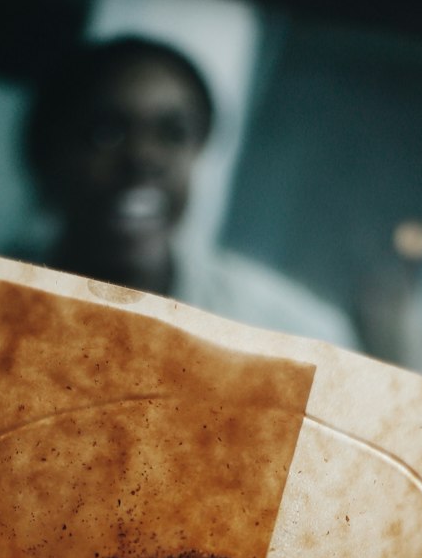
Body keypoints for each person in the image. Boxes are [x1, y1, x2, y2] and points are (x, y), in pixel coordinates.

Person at [22, 35, 358, 346]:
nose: (144, 157)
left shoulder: (291, 334)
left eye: (173, 133)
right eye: (106, 132)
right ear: (49, 153)